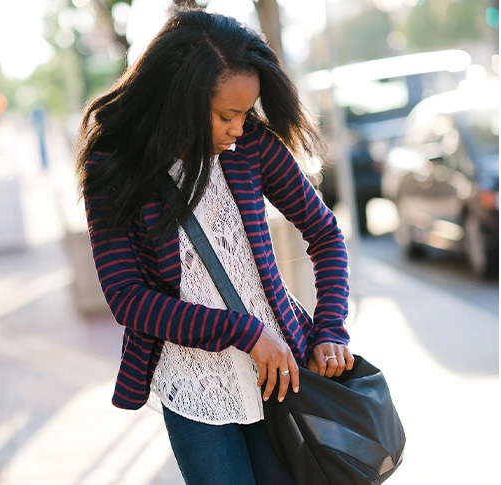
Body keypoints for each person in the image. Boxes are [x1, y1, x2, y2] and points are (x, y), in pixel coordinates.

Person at [76, 9, 353, 484]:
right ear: (181, 99)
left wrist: (330, 328)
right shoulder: (114, 166)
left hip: (279, 375)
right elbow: (127, 298)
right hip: (194, 388)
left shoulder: (252, 147)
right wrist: (242, 331)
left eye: (246, 113)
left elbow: (325, 234)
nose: (239, 128)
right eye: (227, 115)